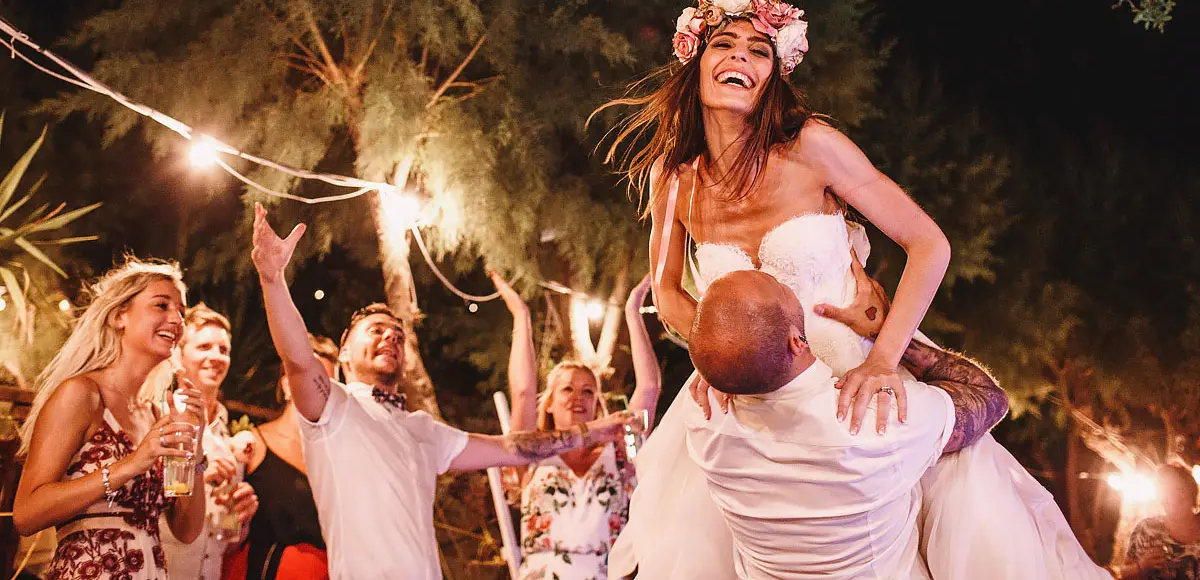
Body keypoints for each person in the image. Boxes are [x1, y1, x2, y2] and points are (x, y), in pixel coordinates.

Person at [600, 0, 1108, 579]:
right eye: (725, 44)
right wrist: (718, 359)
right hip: (752, 403)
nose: (740, 56)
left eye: (758, 50)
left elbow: (930, 245)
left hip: (855, 387)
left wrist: (885, 360)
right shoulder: (675, 178)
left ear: (773, 76)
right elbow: (666, 291)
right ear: (697, 60)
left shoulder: (813, 148)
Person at [249, 203, 641, 580]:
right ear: (345, 353)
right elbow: (298, 357)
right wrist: (272, 279)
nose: (390, 337)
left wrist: (590, 432)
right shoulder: (333, 408)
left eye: (398, 334)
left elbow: (512, 447)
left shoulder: (423, 429)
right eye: (376, 331)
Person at [686, 268, 1007, 578]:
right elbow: (989, 398)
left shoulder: (704, 423)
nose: (783, 280)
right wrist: (884, 334)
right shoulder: (873, 419)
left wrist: (723, 368)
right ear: (797, 342)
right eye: (779, 287)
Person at [13, 258, 209, 580]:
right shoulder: (82, 395)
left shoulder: (156, 414)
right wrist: (133, 463)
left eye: (181, 312)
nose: (176, 319)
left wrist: (196, 451)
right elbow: (26, 514)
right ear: (120, 315)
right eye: (161, 305)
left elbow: (186, 531)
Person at [493, 271, 661, 580]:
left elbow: (649, 388)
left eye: (588, 391)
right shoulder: (531, 454)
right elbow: (522, 392)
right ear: (550, 403)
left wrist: (632, 313)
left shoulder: (620, 452)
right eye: (567, 389)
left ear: (598, 406)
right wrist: (521, 316)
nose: (577, 398)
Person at [223, 334, 339, 580]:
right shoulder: (253, 445)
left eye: (331, 385)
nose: (323, 391)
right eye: (314, 380)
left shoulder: (337, 456)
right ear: (287, 385)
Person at [161, 304, 259, 580]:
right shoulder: (161, 416)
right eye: (204, 347)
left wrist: (241, 519)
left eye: (223, 350)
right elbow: (141, 506)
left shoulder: (227, 437)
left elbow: (226, 542)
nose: (215, 357)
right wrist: (198, 475)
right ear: (179, 355)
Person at [1115, 464, 1200, 578]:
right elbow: (1124, 573)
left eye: (1166, 489)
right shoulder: (1147, 529)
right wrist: (1141, 565)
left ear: (1186, 491)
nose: (1162, 499)